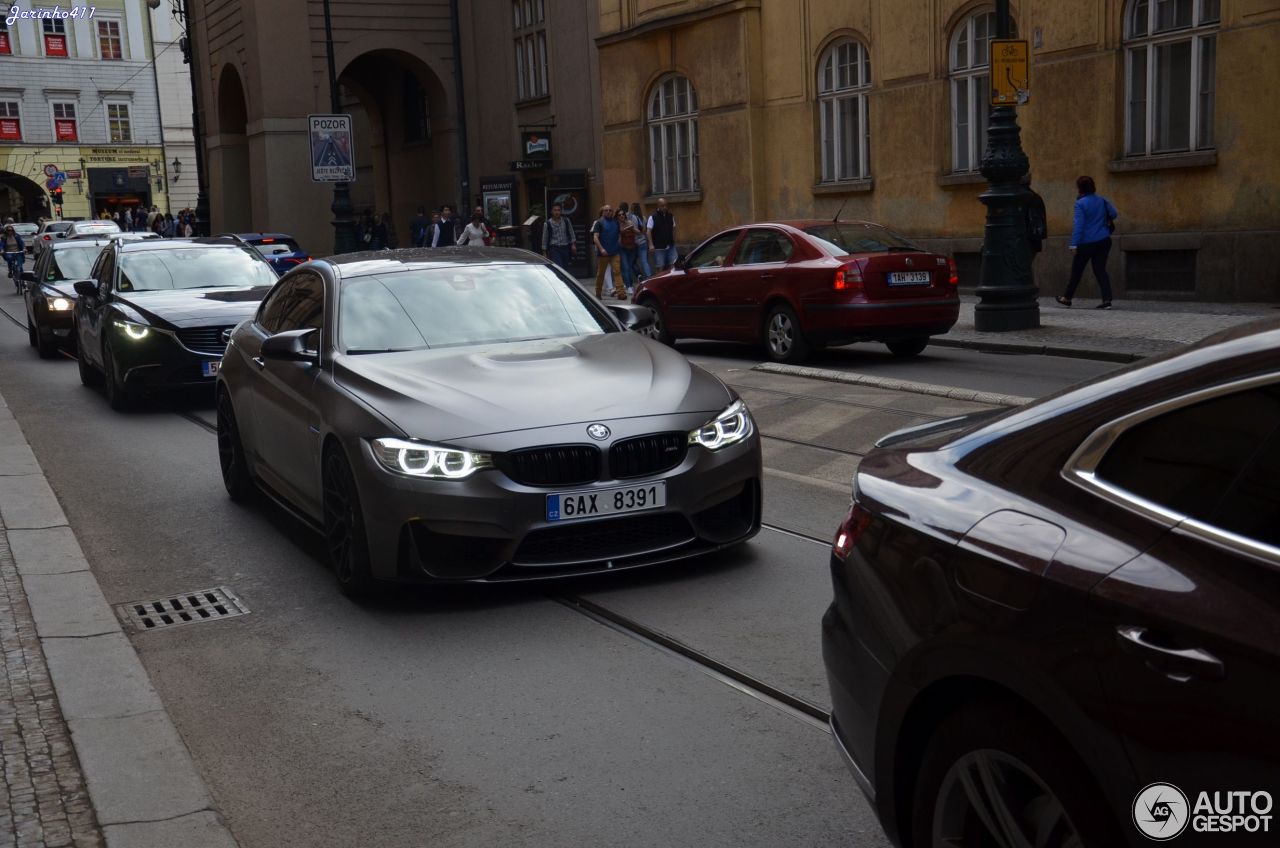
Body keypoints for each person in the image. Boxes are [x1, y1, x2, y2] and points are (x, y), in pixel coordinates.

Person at [1057, 175, 1117, 310]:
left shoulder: (1080, 204)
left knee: (1077, 271)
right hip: (1103, 240)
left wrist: (1073, 244)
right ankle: (1107, 299)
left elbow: (1078, 225)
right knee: (1100, 270)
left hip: (1086, 243)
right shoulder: (1102, 200)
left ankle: (1067, 298)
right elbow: (1114, 213)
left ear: (1080, 188)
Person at [590, 204, 626, 300]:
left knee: (617, 272)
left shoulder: (616, 222)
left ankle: (621, 293)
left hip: (615, 252)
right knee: (601, 273)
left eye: (610, 210)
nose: (609, 212)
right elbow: (595, 238)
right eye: (606, 210)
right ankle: (598, 292)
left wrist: (619, 243)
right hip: (603, 253)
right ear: (603, 212)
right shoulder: (599, 223)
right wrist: (601, 249)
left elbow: (618, 235)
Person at [542, 202, 576, 272]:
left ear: (561, 211)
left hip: (565, 247)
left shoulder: (566, 221)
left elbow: (571, 232)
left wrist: (573, 244)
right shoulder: (547, 223)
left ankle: (564, 282)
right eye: (555, 210)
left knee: (566, 267)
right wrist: (544, 252)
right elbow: (544, 238)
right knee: (559, 267)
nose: (557, 212)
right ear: (551, 211)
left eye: (558, 210)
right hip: (554, 248)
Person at [647, 197, 677, 272]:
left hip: (670, 245)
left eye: (666, 205)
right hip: (659, 247)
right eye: (662, 206)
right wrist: (651, 244)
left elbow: (674, 228)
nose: (665, 207)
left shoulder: (670, 216)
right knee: (660, 266)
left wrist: (673, 239)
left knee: (673, 263)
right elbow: (648, 231)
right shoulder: (653, 217)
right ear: (658, 206)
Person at [616, 203, 640, 295]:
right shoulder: (617, 225)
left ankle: (628, 284)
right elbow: (617, 238)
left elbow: (639, 232)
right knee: (625, 267)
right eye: (619, 215)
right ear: (617, 217)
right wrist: (621, 232)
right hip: (622, 248)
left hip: (632, 247)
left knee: (629, 267)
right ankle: (629, 286)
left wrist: (632, 229)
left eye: (623, 214)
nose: (622, 216)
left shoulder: (630, 222)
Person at [628, 201, 651, 279]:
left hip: (636, 243)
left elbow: (633, 230)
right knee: (644, 261)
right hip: (643, 242)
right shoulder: (643, 217)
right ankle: (649, 277)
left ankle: (639, 274)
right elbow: (644, 231)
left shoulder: (632, 218)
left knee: (631, 262)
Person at [2, 223, 25, 292]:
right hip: (9, 253)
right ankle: (10, 271)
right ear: (6, 231)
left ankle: (23, 278)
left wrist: (24, 248)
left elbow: (21, 243)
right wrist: (2, 250)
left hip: (18, 252)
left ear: (13, 230)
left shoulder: (17, 236)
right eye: (8, 230)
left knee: (20, 266)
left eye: (11, 230)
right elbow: (1, 245)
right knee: (9, 259)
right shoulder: (4, 238)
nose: (10, 232)